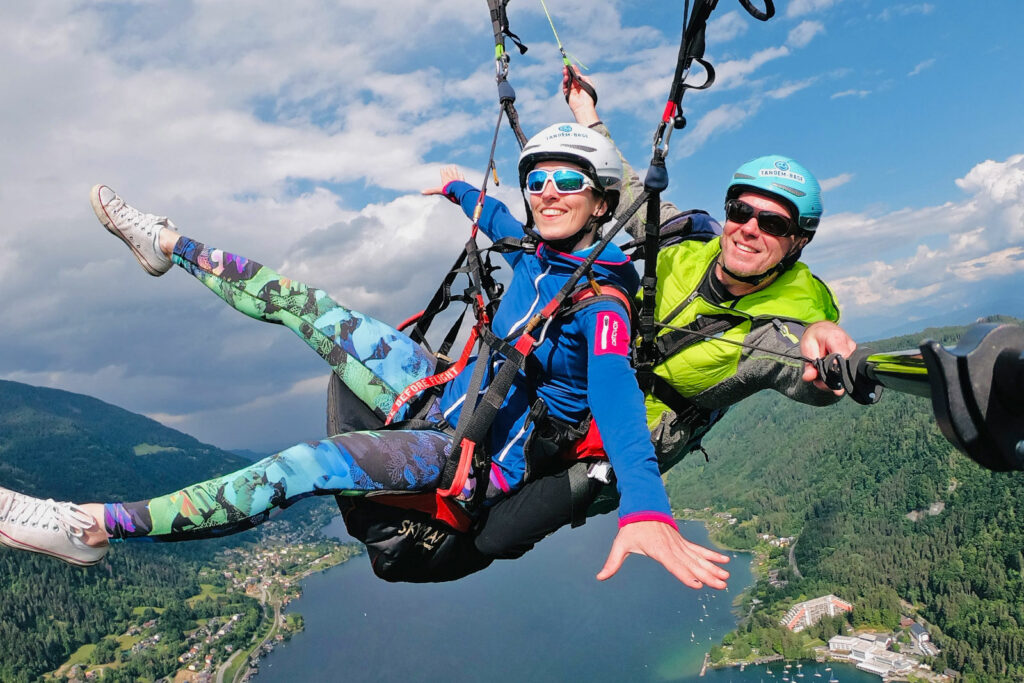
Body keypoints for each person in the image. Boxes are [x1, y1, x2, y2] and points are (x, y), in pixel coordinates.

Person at [0, 122, 732, 590]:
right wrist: (456, 189)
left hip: (463, 453)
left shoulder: (602, 303)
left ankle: (93, 526)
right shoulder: (542, 247)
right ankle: (164, 243)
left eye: (567, 181)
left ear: (603, 202)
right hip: (444, 391)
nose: (545, 191)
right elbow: (506, 222)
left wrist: (645, 504)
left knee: (304, 465)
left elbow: (612, 395)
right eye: (536, 176)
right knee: (306, 304)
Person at [336, 69, 856, 583]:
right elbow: (630, 188)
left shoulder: (786, 324)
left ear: (799, 241)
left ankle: (426, 548)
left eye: (774, 224)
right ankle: (409, 509)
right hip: (566, 395)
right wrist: (586, 114)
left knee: (498, 534)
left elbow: (805, 362)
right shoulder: (682, 241)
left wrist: (839, 370)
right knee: (478, 450)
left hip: (627, 444)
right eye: (742, 211)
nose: (749, 230)